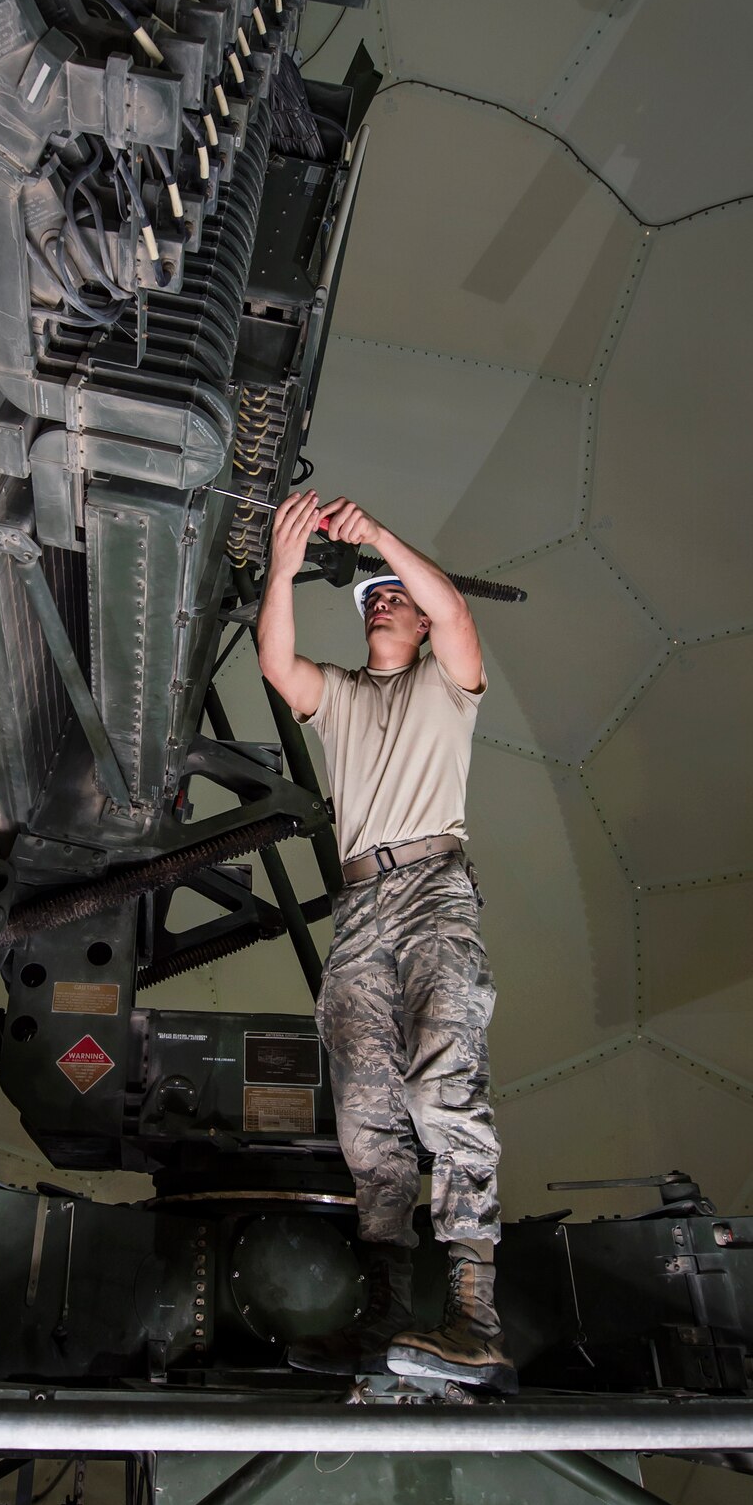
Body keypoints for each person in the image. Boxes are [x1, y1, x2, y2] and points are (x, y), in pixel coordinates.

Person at [256, 488, 514, 1390]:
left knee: (445, 1086)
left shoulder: (449, 682)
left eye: (394, 592)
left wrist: (376, 538)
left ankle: (474, 1318)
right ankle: (388, 1316)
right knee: (368, 1122)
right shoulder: (340, 699)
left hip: (433, 894)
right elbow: (278, 665)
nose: (384, 600)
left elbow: (452, 609)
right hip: (359, 909)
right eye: (371, 594)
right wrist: (283, 571)